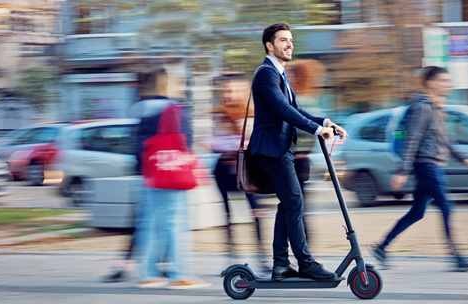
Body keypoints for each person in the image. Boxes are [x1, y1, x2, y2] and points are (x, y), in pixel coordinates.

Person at [248, 22, 348, 281]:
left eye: (290, 39)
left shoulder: (280, 74)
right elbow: (282, 110)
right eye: (283, 40)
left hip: (280, 149)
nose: (289, 44)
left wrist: (326, 123)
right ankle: (305, 263)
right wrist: (316, 131)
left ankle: (281, 264)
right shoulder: (265, 73)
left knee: (288, 204)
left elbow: (297, 110)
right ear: (270, 45)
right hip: (271, 150)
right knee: (294, 202)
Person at [370, 66, 468, 272]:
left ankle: (381, 247)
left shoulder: (435, 106)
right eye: (444, 81)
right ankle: (457, 257)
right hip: (426, 165)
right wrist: (401, 171)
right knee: (447, 207)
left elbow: (444, 138)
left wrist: (464, 158)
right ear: (431, 83)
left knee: (417, 212)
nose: (449, 85)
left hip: (430, 164)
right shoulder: (422, 107)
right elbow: (412, 139)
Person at [130, 68, 210, 289]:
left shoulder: (140, 109)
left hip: (149, 174)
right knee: (176, 223)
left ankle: (147, 273)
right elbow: (186, 141)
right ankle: (181, 274)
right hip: (171, 173)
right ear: (169, 84)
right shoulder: (174, 108)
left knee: (150, 225)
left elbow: (136, 147)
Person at [211, 77, 269, 272]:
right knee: (227, 214)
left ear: (243, 93)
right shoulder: (219, 115)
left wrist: (232, 142)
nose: (229, 95)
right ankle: (231, 257)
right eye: (226, 91)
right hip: (224, 170)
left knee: (256, 212)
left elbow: (253, 144)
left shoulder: (251, 114)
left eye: (233, 91)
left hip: (246, 169)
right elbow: (217, 144)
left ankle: (262, 258)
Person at [286, 59, 327, 246]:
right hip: (301, 161)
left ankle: (302, 247)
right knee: (297, 207)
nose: (288, 78)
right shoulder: (310, 100)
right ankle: (303, 247)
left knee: (296, 208)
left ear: (300, 77)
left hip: (295, 161)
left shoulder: (301, 101)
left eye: (292, 74)